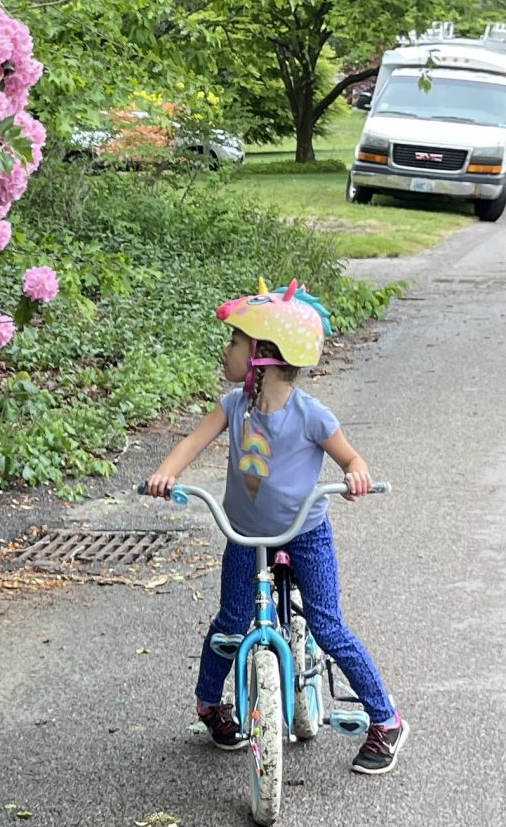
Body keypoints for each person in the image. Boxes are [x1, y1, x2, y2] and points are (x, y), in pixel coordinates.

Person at [142, 284, 406, 776]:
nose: (227, 351)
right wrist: (166, 474)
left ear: (262, 356)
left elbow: (350, 456)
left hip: (305, 533)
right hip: (245, 535)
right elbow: (191, 443)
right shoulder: (232, 407)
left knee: (328, 625)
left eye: (235, 342)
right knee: (230, 621)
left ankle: (385, 720)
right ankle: (208, 706)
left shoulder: (311, 416)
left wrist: (355, 474)